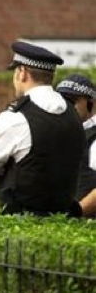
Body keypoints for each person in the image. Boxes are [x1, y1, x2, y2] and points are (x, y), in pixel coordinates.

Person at [0, 41, 85, 216]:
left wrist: (9, 167)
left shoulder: (15, 118)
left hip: (23, 225)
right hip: (66, 222)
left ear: (22, 73)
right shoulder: (73, 114)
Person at [55, 74, 96, 204]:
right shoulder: (63, 131)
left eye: (73, 101)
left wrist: (78, 212)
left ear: (91, 103)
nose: (66, 106)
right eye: (62, 100)